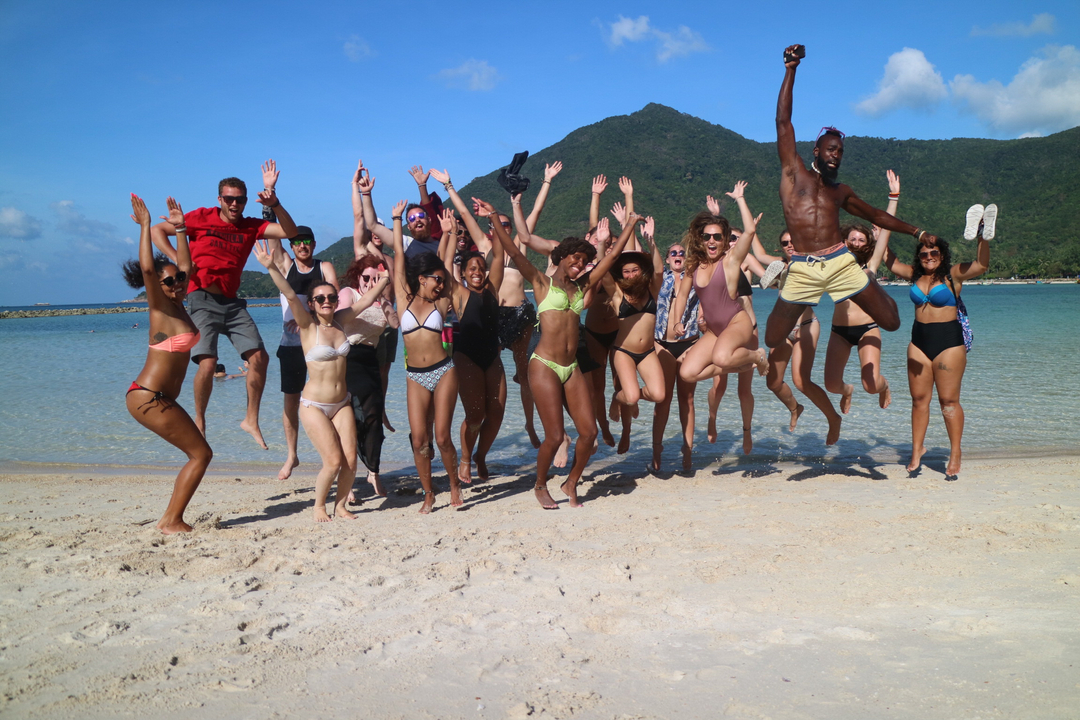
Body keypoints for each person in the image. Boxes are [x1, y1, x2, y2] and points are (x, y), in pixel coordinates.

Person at [769, 44, 940, 350]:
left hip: (839, 260)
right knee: (771, 338)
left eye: (841, 152)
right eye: (831, 150)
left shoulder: (840, 191)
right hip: (803, 266)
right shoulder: (794, 173)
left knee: (892, 321)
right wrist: (790, 70)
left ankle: (866, 279)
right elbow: (783, 122)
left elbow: (875, 215)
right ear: (817, 151)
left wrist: (918, 232)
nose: (836, 155)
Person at [502, 191, 640, 508]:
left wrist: (630, 224)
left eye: (582, 260)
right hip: (544, 365)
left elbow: (612, 257)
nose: (579, 264)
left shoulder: (583, 286)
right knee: (553, 436)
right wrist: (496, 220)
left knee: (589, 434)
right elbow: (515, 250)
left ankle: (571, 483)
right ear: (561, 257)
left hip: (570, 367)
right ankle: (539, 485)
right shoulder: (541, 282)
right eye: (574, 258)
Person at [150, 160, 298, 448]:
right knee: (207, 364)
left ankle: (250, 419)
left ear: (245, 201)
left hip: (232, 303)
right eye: (229, 199)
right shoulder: (201, 217)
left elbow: (290, 233)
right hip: (201, 298)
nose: (234, 204)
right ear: (220, 199)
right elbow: (157, 231)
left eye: (240, 200)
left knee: (260, 359)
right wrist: (182, 265)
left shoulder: (251, 226)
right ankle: (200, 420)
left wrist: (276, 202)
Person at [254, 240, 390, 521]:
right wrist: (271, 268)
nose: (327, 302)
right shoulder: (307, 326)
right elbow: (291, 295)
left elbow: (365, 300)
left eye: (331, 297)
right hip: (314, 405)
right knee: (333, 461)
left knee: (351, 460)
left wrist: (387, 276)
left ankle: (341, 506)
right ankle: (319, 506)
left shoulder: (342, 320)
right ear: (312, 304)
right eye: (320, 299)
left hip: (341, 402)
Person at [884, 204, 993, 480]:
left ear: (942, 254)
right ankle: (917, 449)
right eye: (924, 253)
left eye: (934, 252)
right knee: (919, 400)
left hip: (949, 343)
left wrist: (983, 238)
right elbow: (889, 261)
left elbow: (981, 265)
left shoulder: (952, 275)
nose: (929, 256)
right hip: (918, 342)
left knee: (948, 401)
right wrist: (881, 230)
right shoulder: (914, 275)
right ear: (918, 256)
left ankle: (955, 452)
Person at [123, 195, 211, 534]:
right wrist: (146, 226)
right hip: (147, 396)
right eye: (170, 281)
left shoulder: (180, 303)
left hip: (161, 398)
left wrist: (181, 230)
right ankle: (171, 521)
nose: (177, 284)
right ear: (158, 287)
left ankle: (171, 518)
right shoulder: (159, 309)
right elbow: (148, 268)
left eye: (179, 280)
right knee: (201, 455)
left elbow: (186, 265)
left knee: (200, 454)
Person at [431, 174, 512, 484]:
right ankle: (465, 458)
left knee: (497, 413)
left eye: (481, 268)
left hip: (492, 356)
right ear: (463, 275)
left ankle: (480, 455)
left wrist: (493, 216)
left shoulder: (492, 289)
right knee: (475, 415)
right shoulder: (460, 294)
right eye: (472, 270)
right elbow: (444, 261)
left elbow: (501, 253)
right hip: (466, 357)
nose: (478, 273)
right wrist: (450, 233)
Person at [389, 198, 463, 513]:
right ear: (422, 278)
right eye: (436, 279)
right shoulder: (403, 301)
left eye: (441, 280)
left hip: (444, 370)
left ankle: (455, 485)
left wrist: (448, 234)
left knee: (443, 437)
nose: (441, 283)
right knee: (420, 439)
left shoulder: (442, 302)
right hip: (415, 376)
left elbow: (444, 262)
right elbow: (397, 257)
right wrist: (395, 220)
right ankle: (429, 493)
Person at [752, 228, 841, 444]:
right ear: (781, 247)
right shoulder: (780, 265)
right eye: (785, 243)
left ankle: (833, 419)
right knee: (773, 383)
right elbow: (758, 253)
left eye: (793, 241)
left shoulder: (812, 263)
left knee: (802, 381)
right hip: (783, 329)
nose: (789, 245)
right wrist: (751, 227)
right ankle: (795, 407)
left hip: (807, 325)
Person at [824, 170, 901, 413]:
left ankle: (884, 385)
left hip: (868, 328)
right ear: (843, 241)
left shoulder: (870, 266)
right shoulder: (833, 266)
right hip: (840, 331)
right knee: (831, 384)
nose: (857, 243)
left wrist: (894, 197)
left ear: (868, 244)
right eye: (852, 239)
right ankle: (847, 391)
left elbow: (886, 231)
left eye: (861, 240)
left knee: (871, 385)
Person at [267, 225, 339, 481]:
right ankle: (292, 455)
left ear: (314, 243)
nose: (302, 245)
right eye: (296, 242)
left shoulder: (325, 268)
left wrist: (307, 321)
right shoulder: (287, 266)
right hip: (290, 347)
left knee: (330, 401)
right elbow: (273, 236)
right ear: (291, 246)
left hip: (319, 346)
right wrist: (270, 203)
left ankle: (333, 461)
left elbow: (333, 302)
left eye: (307, 241)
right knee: (291, 401)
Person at [339, 255, 397, 498]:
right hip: (348, 359)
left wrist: (383, 298)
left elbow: (394, 324)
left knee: (373, 419)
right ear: (357, 276)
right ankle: (347, 480)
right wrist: (370, 295)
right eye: (367, 278)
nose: (371, 282)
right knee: (349, 421)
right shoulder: (349, 293)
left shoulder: (380, 300)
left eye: (376, 278)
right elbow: (342, 317)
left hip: (371, 360)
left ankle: (373, 471)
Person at [606, 217, 666, 437]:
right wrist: (604, 245)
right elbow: (603, 273)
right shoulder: (617, 293)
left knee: (658, 395)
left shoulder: (652, 290)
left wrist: (650, 241)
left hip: (648, 352)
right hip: (624, 352)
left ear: (642, 271)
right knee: (629, 398)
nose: (631, 275)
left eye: (635, 270)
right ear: (621, 275)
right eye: (626, 271)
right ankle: (617, 398)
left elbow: (659, 270)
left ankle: (625, 395)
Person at [652, 240, 700, 471]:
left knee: (687, 399)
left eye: (682, 253)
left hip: (689, 343)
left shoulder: (696, 278)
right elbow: (653, 265)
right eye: (674, 253)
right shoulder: (661, 278)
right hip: (663, 344)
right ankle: (657, 450)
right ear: (668, 258)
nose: (678, 255)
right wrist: (651, 240)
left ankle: (687, 451)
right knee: (663, 400)